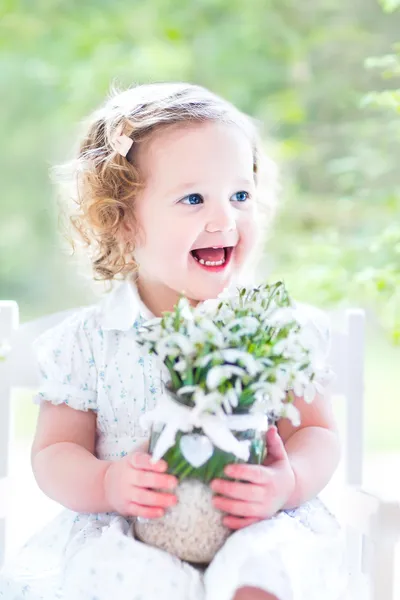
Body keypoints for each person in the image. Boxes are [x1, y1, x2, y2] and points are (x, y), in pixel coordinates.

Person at [0, 82, 349, 600]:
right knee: (113, 578)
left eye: (240, 196)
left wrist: (288, 483)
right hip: (130, 529)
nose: (223, 219)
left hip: (253, 519)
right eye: (192, 198)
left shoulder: (273, 330)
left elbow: (317, 432)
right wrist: (107, 483)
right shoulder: (89, 343)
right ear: (121, 222)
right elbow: (55, 451)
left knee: (273, 570)